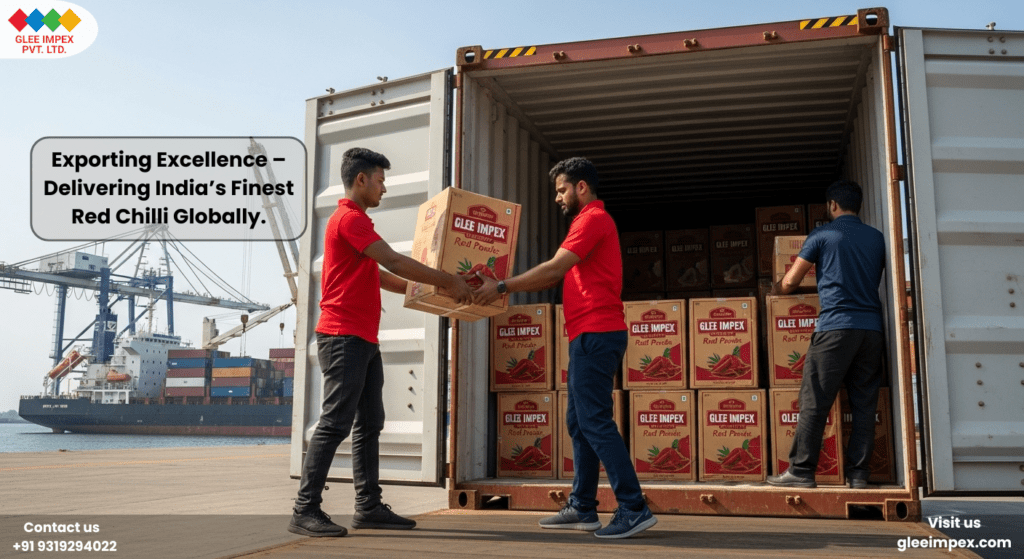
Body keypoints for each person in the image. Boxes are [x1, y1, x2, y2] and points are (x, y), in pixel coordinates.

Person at [289, 147, 474, 537]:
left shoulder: (356, 224)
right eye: (380, 179)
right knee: (335, 423)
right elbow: (394, 261)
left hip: (362, 338)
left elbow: (384, 277)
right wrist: (448, 281)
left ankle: (368, 506)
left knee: (370, 422)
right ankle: (305, 509)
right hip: (342, 337)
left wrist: (437, 295)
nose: (384, 187)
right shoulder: (350, 220)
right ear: (361, 180)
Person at [474, 157, 657, 539]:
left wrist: (503, 286)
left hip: (597, 331)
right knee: (579, 422)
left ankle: (634, 507)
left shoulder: (592, 220)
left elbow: (556, 268)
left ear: (582, 187)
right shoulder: (584, 222)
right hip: (586, 333)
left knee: (594, 421)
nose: (557, 197)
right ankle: (584, 507)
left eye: (561, 189)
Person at [766, 179, 886, 490]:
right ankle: (859, 475)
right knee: (863, 405)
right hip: (871, 330)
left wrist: (775, 290)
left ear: (832, 205)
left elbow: (792, 280)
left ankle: (801, 470)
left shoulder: (822, 234)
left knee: (815, 400)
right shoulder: (876, 238)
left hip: (835, 327)